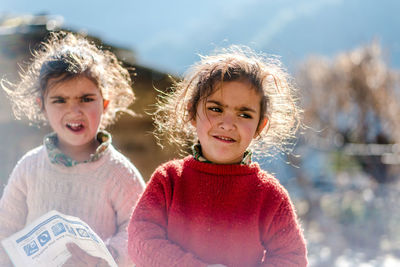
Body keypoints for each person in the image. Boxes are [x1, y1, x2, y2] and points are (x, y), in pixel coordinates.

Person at [127, 45, 308, 267]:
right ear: (193, 113)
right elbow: (140, 240)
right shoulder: (169, 180)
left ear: (260, 126)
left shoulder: (269, 197)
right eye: (216, 109)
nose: (228, 124)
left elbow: (291, 259)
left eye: (244, 114)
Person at [0, 31, 145, 267]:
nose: (75, 111)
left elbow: (138, 227)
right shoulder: (29, 167)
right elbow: (5, 230)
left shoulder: (119, 173)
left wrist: (109, 257)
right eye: (60, 100)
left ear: (105, 104)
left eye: (86, 99)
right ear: (42, 107)